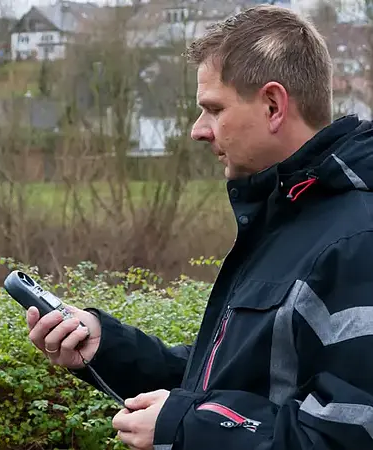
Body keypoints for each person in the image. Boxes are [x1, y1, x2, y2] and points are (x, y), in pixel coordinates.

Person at [27, 5, 373, 450]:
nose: (197, 130)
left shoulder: (356, 240)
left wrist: (188, 426)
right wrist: (103, 346)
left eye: (213, 109)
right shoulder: (286, 220)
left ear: (273, 105)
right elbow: (224, 380)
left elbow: (348, 436)